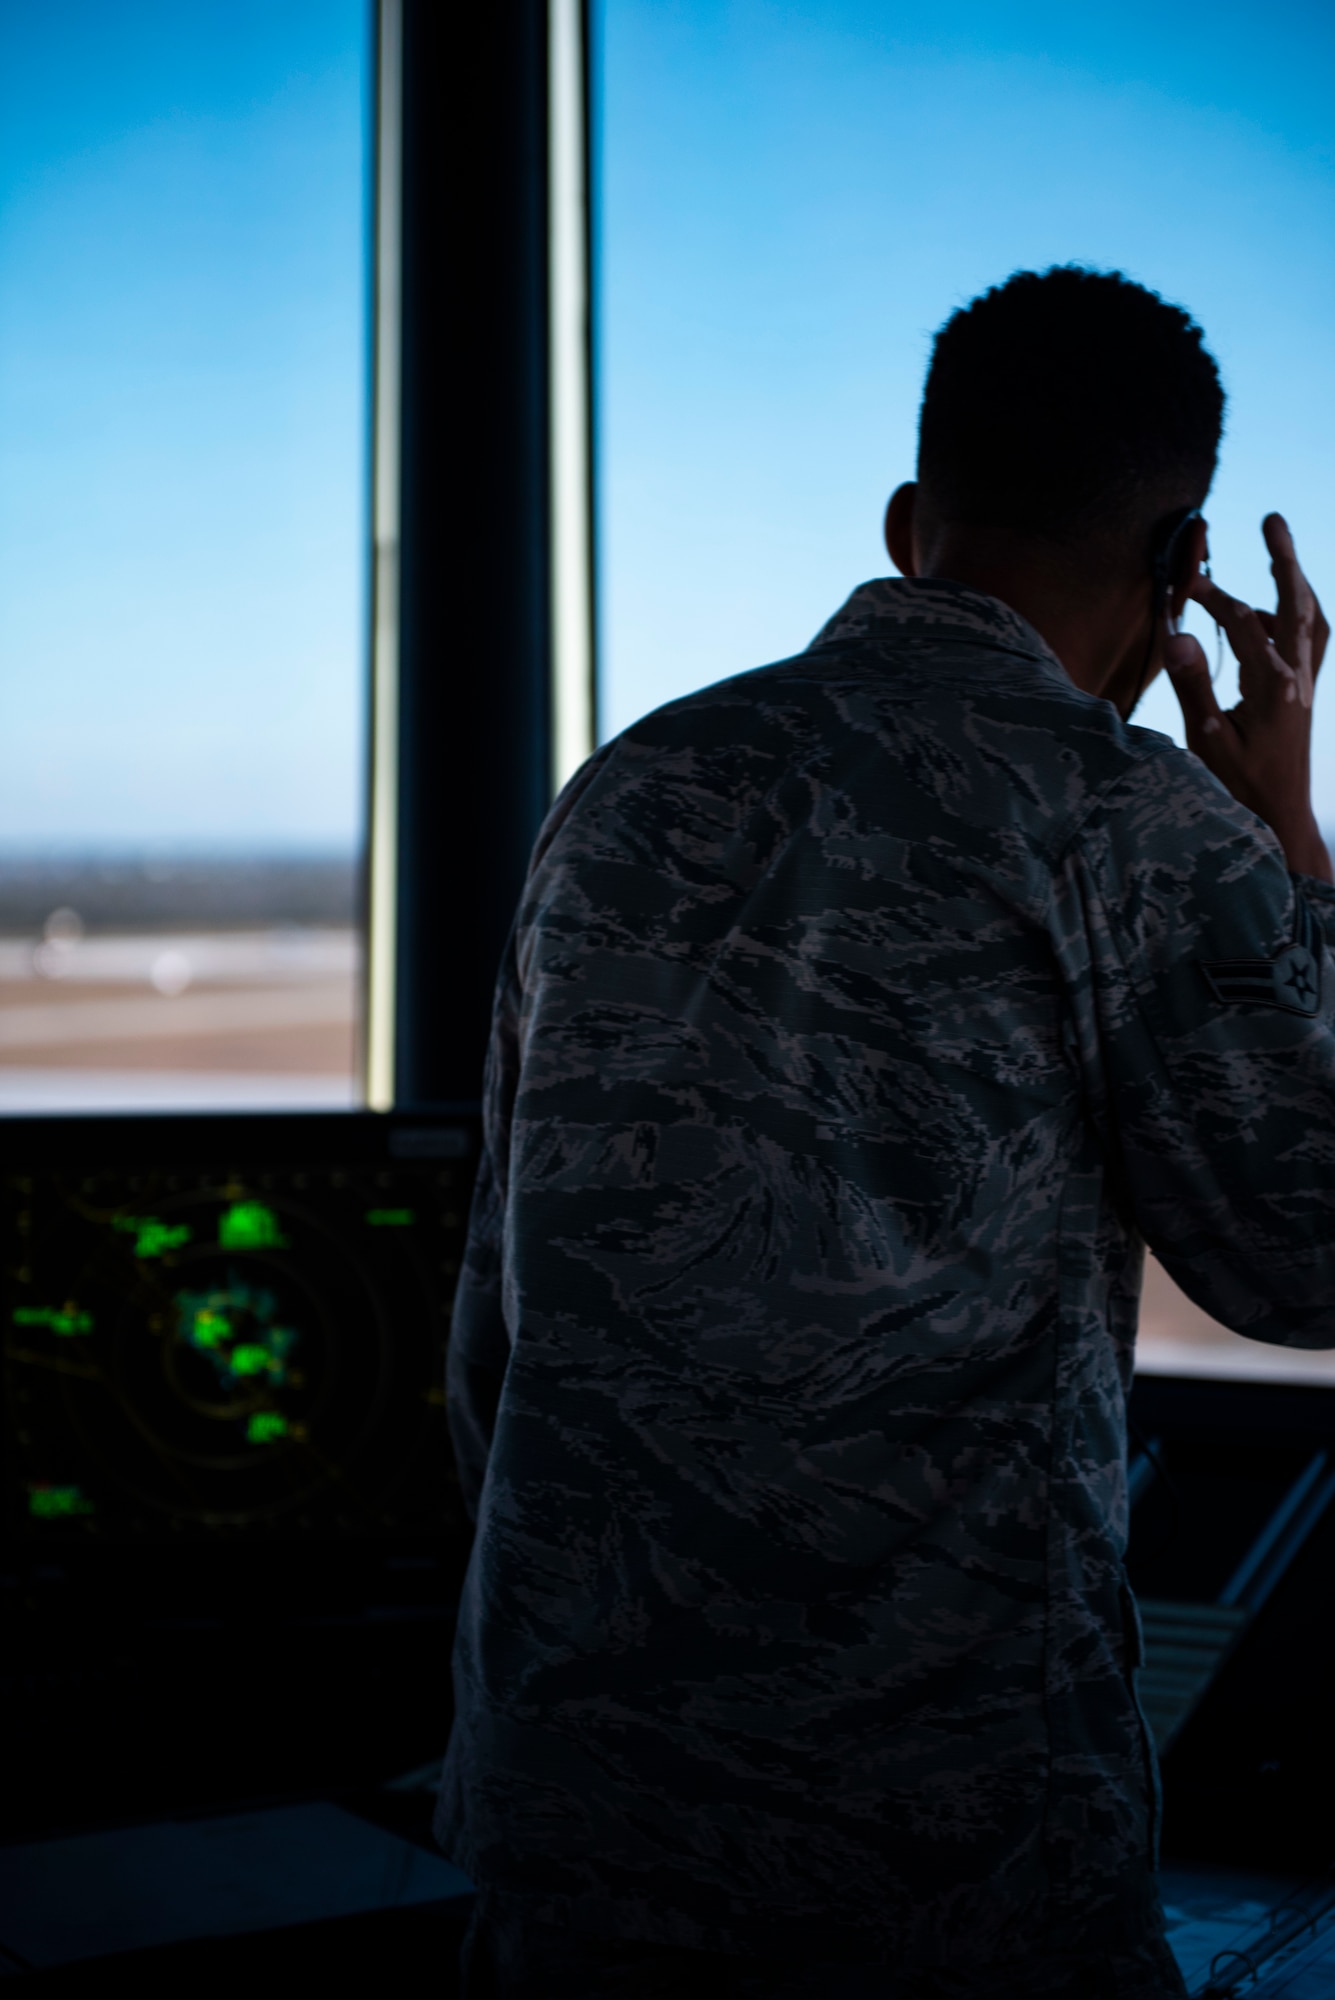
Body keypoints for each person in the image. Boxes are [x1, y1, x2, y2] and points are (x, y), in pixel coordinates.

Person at [435, 266, 1335, 1998]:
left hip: (573, 1822)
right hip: (939, 1853)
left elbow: (498, 1320)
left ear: (913, 521)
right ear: (1183, 566)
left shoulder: (626, 788)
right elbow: (1304, 1260)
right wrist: (1291, 844)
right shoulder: (1134, 823)